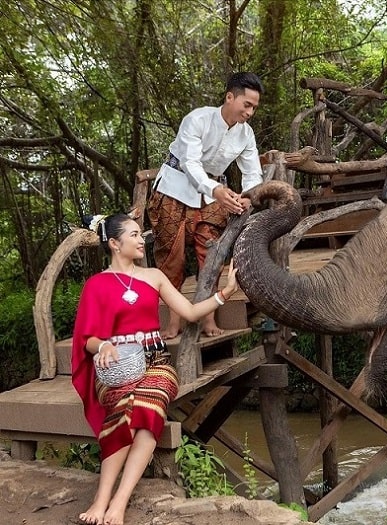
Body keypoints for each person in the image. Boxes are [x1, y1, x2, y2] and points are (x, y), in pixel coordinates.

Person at [72, 212, 239, 525]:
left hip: (157, 364)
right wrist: (104, 346)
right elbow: (88, 338)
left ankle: (118, 503)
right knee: (126, 411)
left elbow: (189, 311)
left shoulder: (155, 276)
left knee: (148, 410)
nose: (140, 240)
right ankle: (101, 499)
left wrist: (224, 294)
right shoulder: (96, 285)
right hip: (116, 367)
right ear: (113, 243)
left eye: (140, 234)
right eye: (133, 235)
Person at [148, 71, 265, 339]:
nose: (250, 112)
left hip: (213, 194)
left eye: (254, 108)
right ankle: (173, 321)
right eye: (246, 105)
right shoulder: (197, 119)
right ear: (229, 97)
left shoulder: (246, 135)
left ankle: (208, 320)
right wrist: (215, 189)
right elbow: (189, 163)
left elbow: (252, 172)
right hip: (175, 188)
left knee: (211, 253)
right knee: (171, 257)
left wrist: (248, 195)